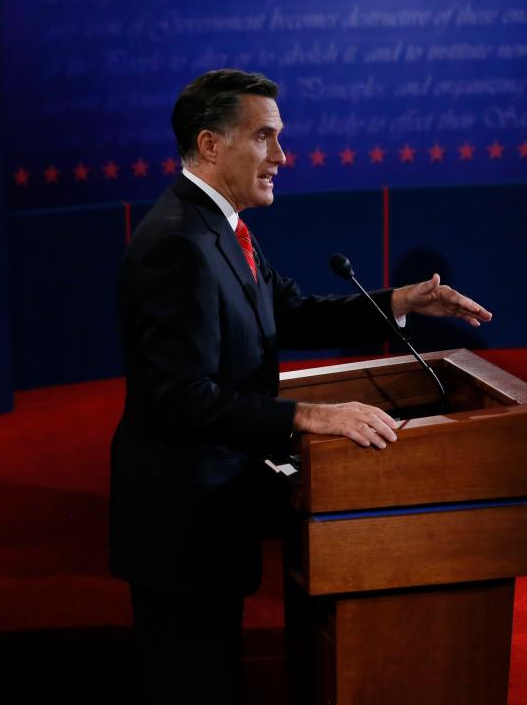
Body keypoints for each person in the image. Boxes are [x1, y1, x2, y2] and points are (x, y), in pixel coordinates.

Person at [109, 69, 492, 702]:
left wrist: (398, 300)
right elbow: (178, 398)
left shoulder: (220, 225)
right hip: (178, 522)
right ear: (211, 145)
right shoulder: (177, 244)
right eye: (265, 138)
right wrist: (305, 417)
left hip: (211, 512)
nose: (283, 157)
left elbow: (289, 310)